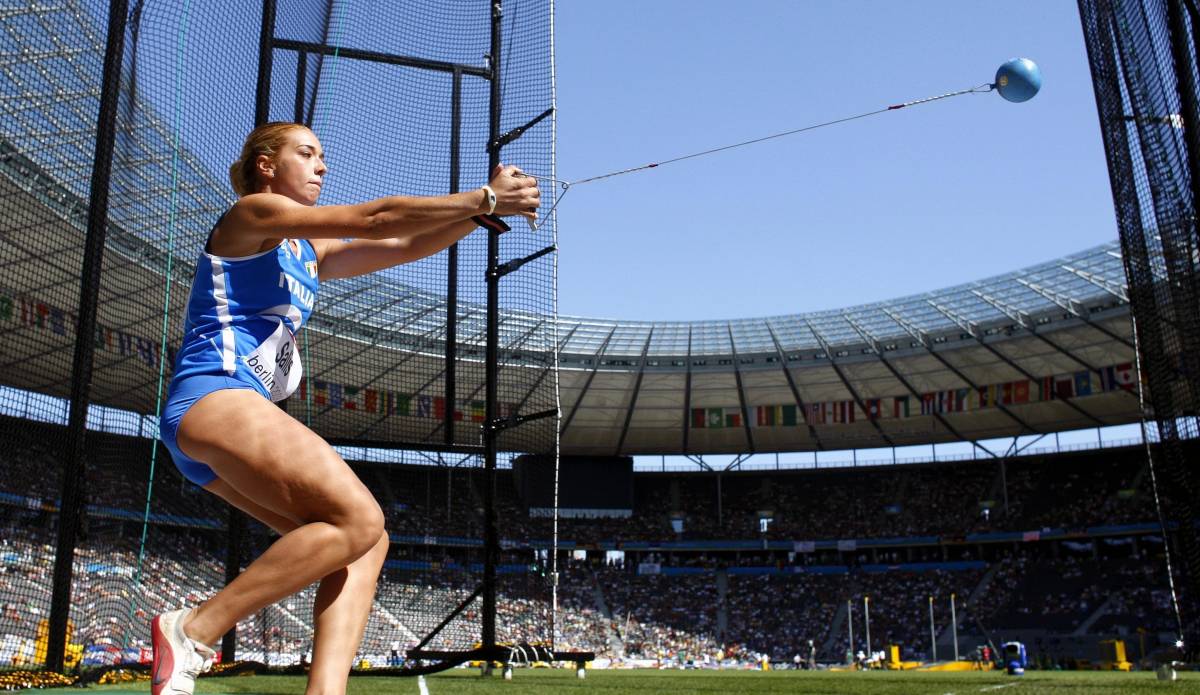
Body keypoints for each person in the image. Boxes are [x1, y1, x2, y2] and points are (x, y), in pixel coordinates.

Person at [149, 121, 538, 695]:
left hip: (227, 422)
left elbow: (401, 244)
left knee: (362, 543)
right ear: (265, 166)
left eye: (322, 156)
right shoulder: (251, 214)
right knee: (360, 518)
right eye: (306, 154)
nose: (321, 166)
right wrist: (483, 197)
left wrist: (477, 214)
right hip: (213, 396)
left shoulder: (310, 249)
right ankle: (192, 629)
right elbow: (375, 218)